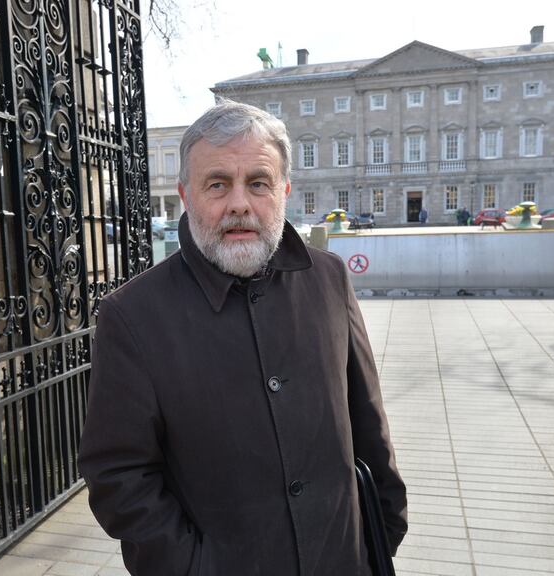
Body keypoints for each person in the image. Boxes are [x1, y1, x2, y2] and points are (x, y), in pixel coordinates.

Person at [78, 101, 408, 575]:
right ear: (186, 196)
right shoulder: (133, 315)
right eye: (218, 184)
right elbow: (118, 476)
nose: (239, 203)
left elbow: (366, 417)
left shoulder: (329, 278)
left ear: (284, 191)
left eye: (258, 182)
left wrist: (385, 526)